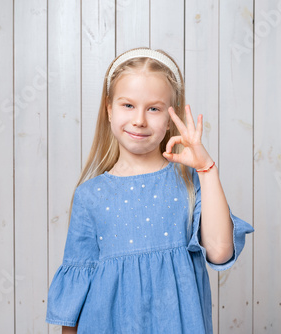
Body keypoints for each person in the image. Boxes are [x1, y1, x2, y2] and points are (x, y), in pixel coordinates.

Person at [46, 47, 254, 333]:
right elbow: (75, 293)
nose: (139, 120)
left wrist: (207, 169)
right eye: (128, 105)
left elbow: (219, 251)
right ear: (109, 109)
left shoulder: (190, 182)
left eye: (154, 108)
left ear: (171, 118)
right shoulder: (89, 196)